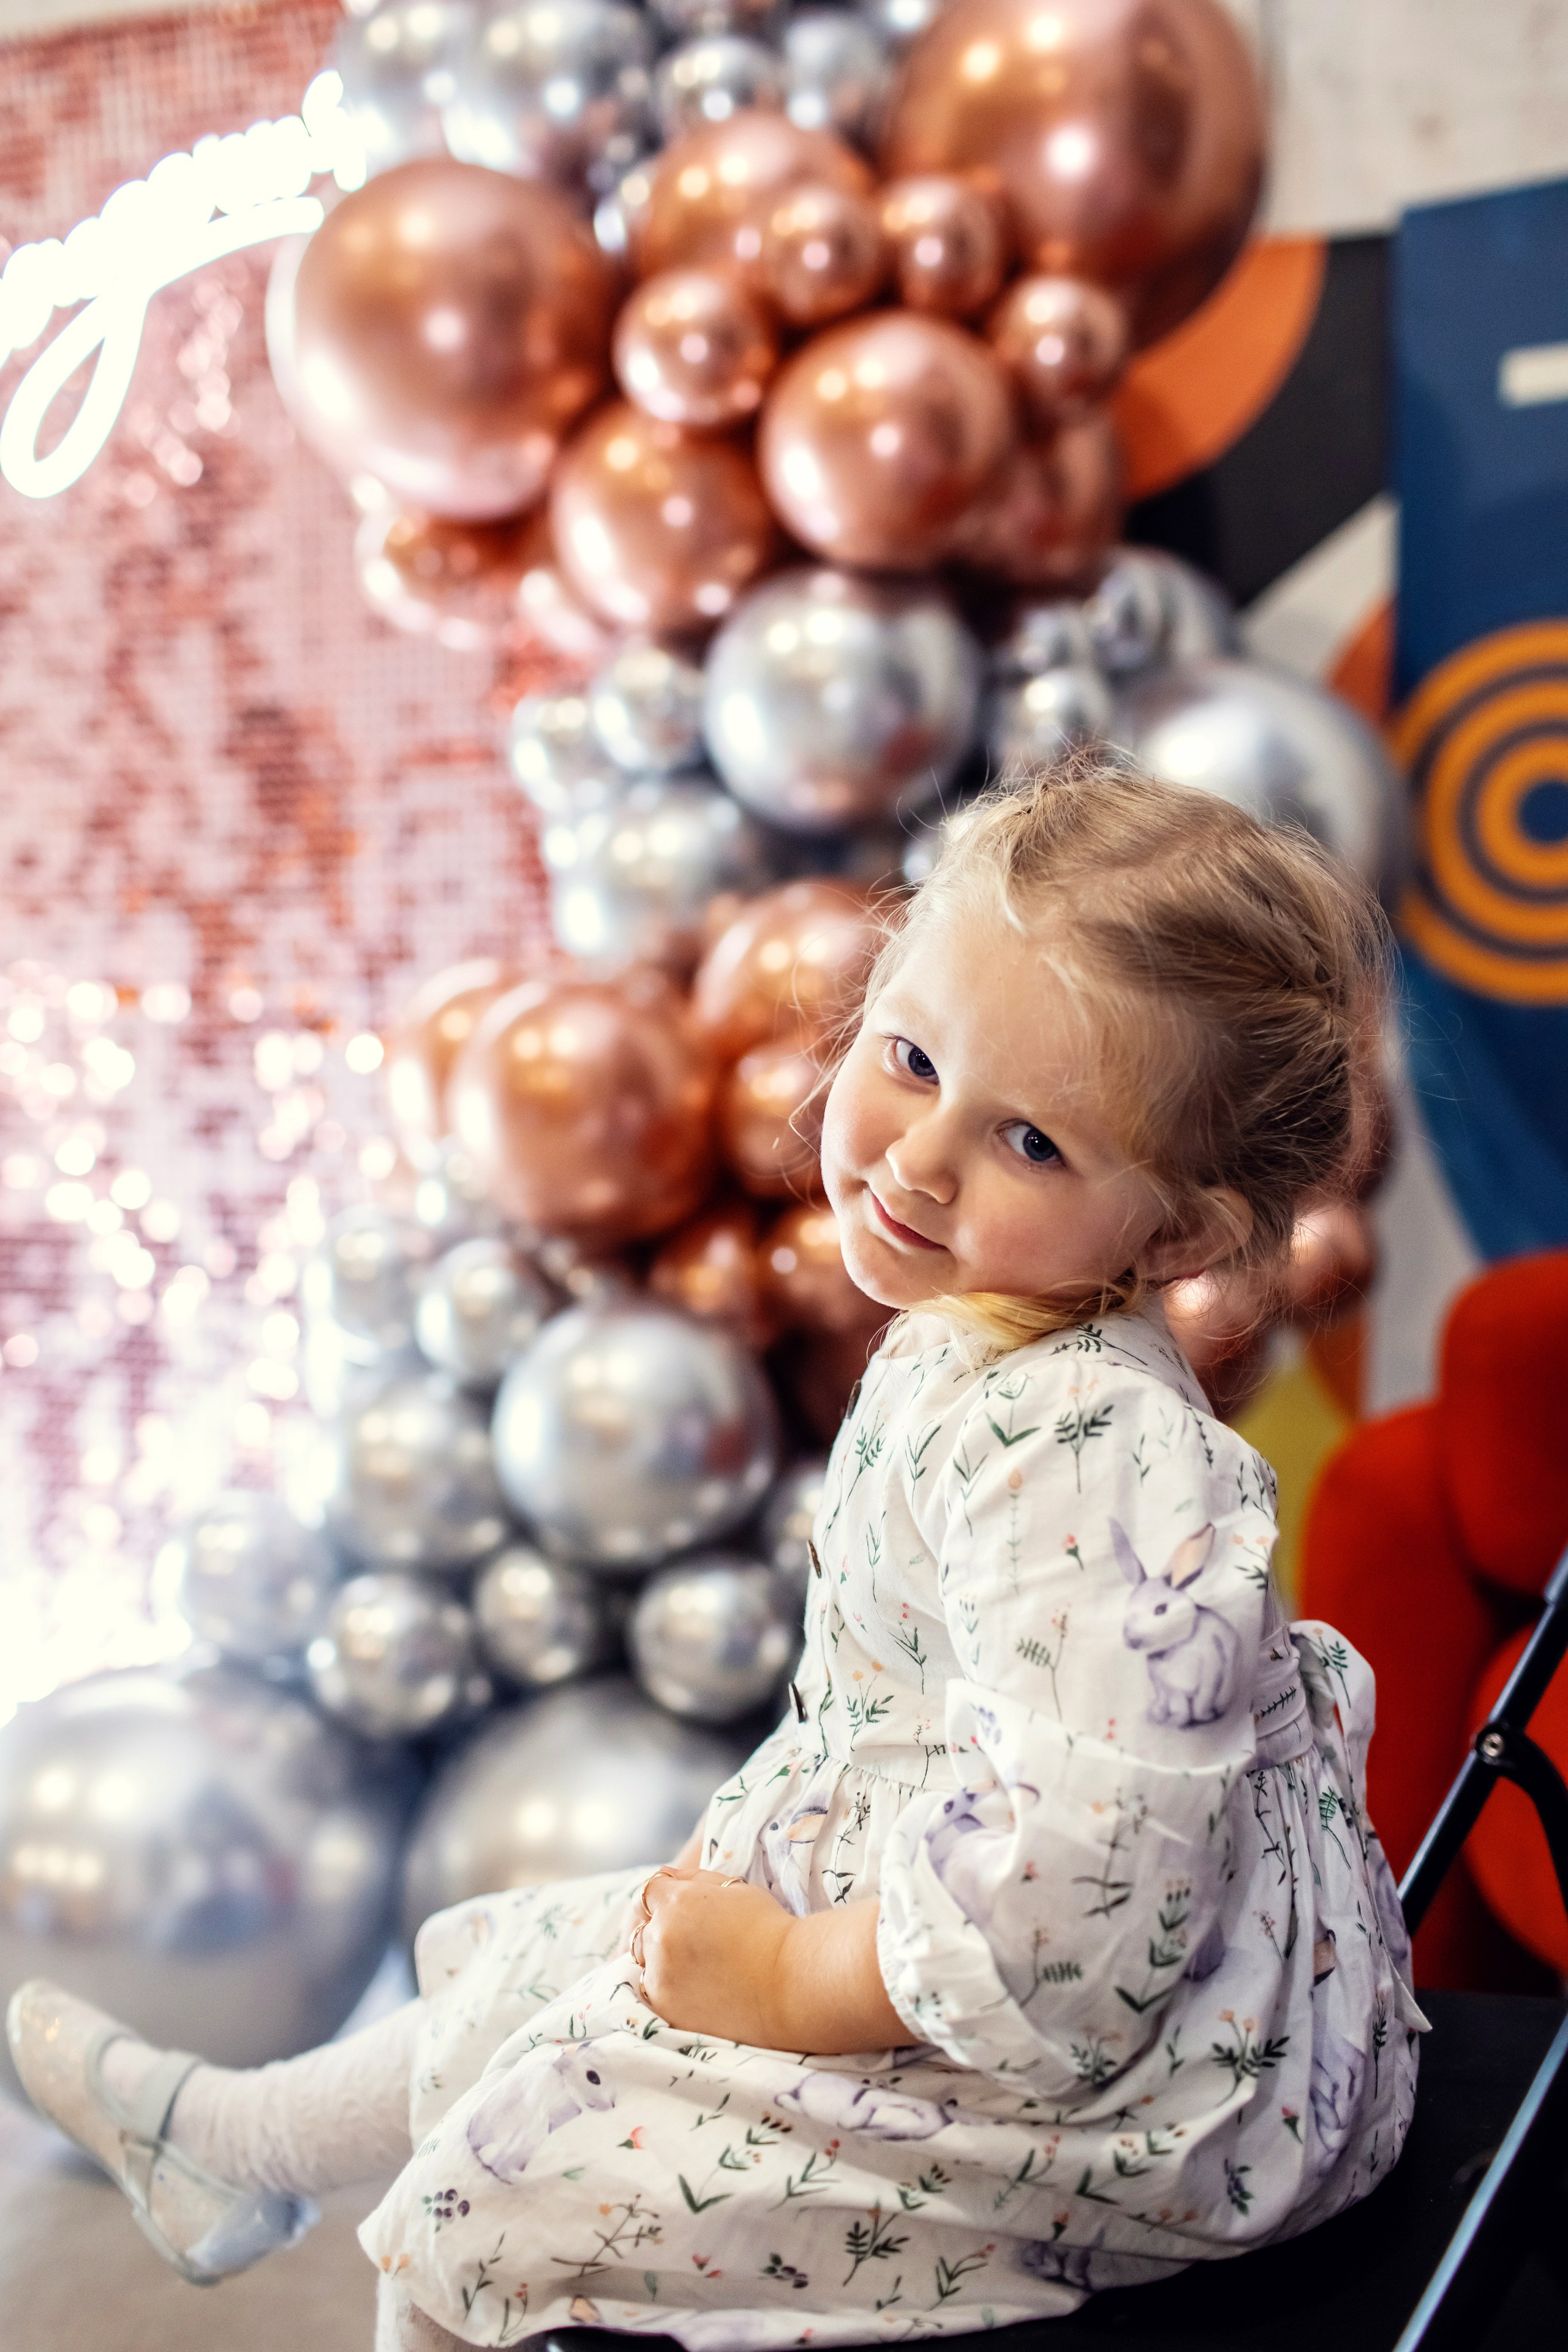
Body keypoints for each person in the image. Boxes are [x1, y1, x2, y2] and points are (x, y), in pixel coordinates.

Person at [10, 763, 1423, 2350]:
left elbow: (1081, 1913)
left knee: (518, 2176)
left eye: (1030, 1140)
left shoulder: (1085, 1452)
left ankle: (395, 2261)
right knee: (548, 1963)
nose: (918, 1160)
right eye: (912, 1059)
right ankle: (238, 2145)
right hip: (966, 1929)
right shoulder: (986, 1334)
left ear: (1176, 1235)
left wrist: (789, 1984)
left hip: (1147, 2078)